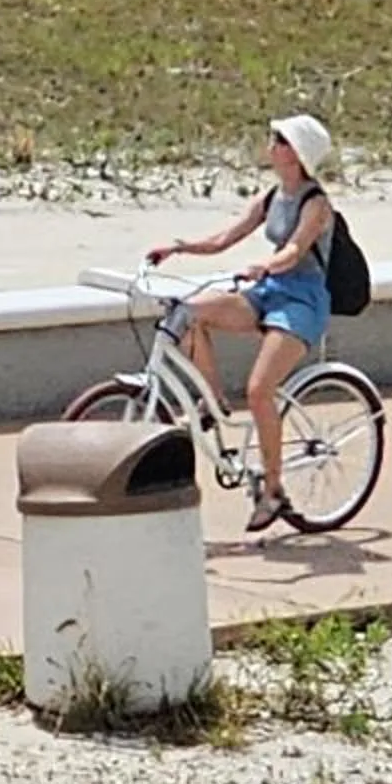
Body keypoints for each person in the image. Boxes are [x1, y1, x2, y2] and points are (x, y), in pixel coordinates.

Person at [144, 114, 340, 534]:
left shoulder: (316, 204)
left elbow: (293, 250)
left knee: (260, 390)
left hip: (302, 299)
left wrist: (264, 266)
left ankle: (273, 490)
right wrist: (178, 248)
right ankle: (212, 400)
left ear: (296, 154)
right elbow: (224, 238)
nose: (270, 146)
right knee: (189, 313)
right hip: (269, 290)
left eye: (278, 140)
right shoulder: (273, 197)